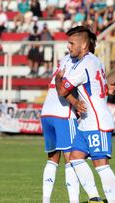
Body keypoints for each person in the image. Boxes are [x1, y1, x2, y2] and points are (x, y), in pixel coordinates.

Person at [55, 26, 115, 203]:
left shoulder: (83, 65)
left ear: (83, 45)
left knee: (101, 164)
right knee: (75, 158)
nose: (68, 47)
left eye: (71, 43)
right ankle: (94, 198)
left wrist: (59, 76)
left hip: (97, 121)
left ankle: (112, 201)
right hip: (85, 122)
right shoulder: (96, 60)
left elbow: (61, 90)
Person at [41, 50, 85, 203]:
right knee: (72, 159)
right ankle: (74, 201)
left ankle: (46, 200)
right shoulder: (79, 63)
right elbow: (64, 90)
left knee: (52, 160)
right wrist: (76, 103)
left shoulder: (64, 61)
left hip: (47, 113)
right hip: (63, 115)